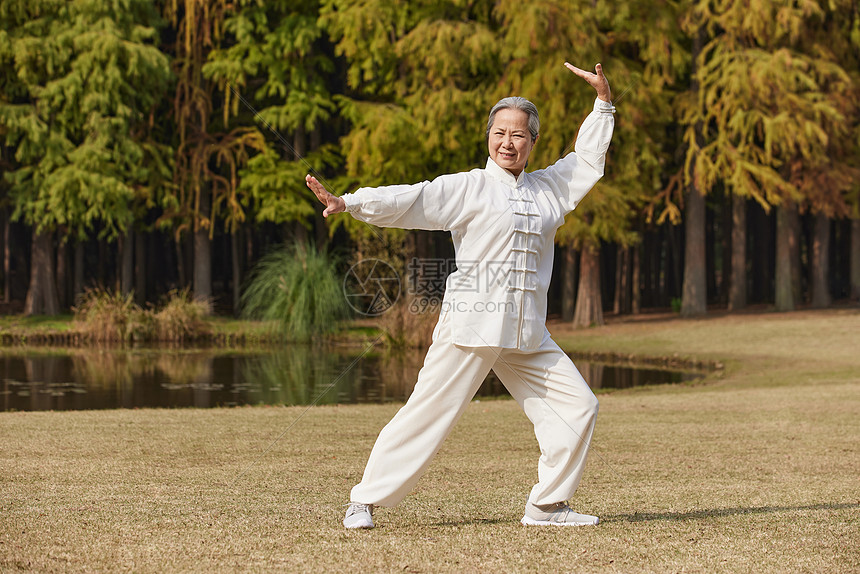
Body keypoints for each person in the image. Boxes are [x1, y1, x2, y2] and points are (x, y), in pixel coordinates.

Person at [306, 62, 615, 529]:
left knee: (579, 406)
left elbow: (588, 161)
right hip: (471, 325)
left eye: (518, 135)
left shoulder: (550, 188)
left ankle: (547, 505)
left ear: (533, 142)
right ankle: (363, 500)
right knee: (428, 413)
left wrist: (603, 104)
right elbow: (412, 199)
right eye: (500, 132)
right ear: (488, 137)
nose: (508, 142)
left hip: (526, 331)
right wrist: (349, 202)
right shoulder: (469, 187)